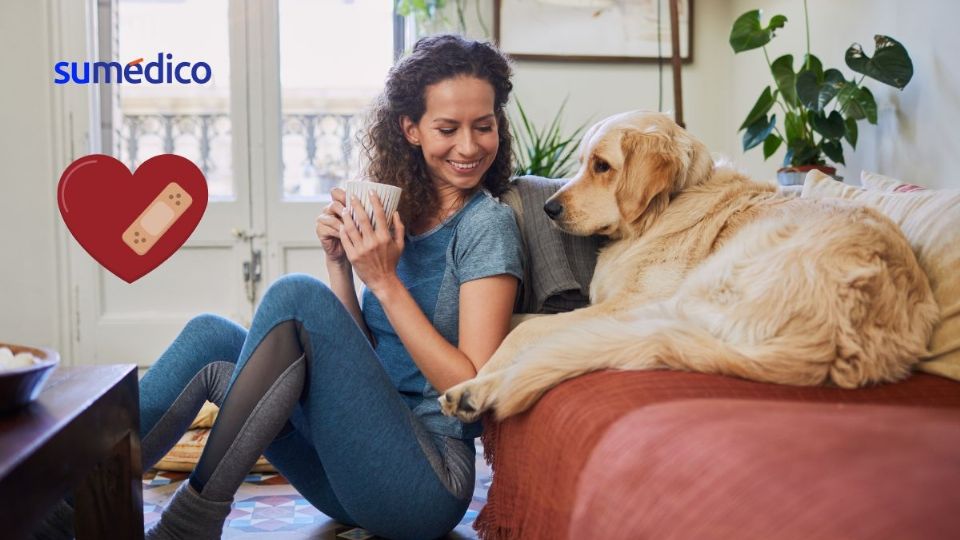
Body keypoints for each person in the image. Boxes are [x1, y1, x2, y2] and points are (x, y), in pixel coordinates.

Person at [124, 33, 521, 540]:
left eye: (483, 126)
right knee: (210, 339)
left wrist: (384, 281)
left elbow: (471, 388)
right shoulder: (397, 213)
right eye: (448, 128)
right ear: (411, 129)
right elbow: (368, 363)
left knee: (295, 296)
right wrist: (341, 267)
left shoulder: (487, 226)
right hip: (350, 471)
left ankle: (194, 517)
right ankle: (69, 497)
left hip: (424, 483)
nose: (469, 146)